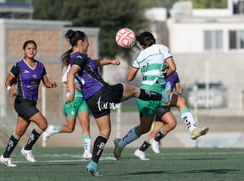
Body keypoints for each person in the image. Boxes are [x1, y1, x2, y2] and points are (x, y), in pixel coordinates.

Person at [64, 29, 170, 176]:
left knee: (105, 132)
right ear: (81, 42)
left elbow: (95, 62)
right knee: (132, 90)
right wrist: (72, 92)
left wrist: (111, 61)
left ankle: (93, 164)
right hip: (101, 92)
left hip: (92, 100)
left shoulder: (76, 57)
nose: (88, 44)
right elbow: (71, 74)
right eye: (87, 41)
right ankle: (160, 96)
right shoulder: (80, 56)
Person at [113, 31, 176, 161]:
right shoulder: (162, 48)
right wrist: (162, 75)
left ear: (141, 44)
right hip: (157, 92)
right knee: (179, 103)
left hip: (145, 93)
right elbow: (173, 68)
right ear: (154, 39)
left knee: (144, 128)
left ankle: (122, 144)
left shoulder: (139, 55)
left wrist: (141, 64)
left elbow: (129, 77)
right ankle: (124, 143)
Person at [0, 40, 57, 167]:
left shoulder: (40, 66)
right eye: (29, 48)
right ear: (24, 50)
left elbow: (46, 83)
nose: (31, 50)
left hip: (31, 103)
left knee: (19, 132)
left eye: (34, 48)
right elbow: (7, 81)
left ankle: (5, 156)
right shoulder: (18, 65)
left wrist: (51, 84)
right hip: (21, 102)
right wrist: (10, 89)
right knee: (43, 123)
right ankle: (27, 148)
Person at [134, 71, 209, 160]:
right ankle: (157, 140)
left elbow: (177, 87)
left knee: (155, 131)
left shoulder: (174, 74)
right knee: (172, 122)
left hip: (167, 105)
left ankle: (141, 150)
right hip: (159, 104)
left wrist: (179, 90)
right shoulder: (158, 73)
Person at [42, 60, 92, 159]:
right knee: (70, 128)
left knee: (86, 126)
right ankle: (52, 129)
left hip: (82, 100)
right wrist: (74, 85)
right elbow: (64, 79)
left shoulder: (87, 66)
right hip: (72, 100)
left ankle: (87, 151)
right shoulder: (73, 66)